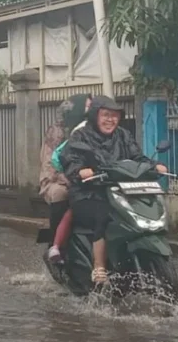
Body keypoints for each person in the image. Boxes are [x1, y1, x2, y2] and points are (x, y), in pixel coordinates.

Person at [61, 95, 168, 286]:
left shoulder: (123, 135)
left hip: (120, 190)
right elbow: (70, 159)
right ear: (95, 115)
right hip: (88, 192)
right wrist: (79, 170)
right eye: (106, 115)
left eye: (115, 116)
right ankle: (99, 267)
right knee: (104, 214)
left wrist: (153, 165)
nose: (110, 120)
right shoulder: (81, 136)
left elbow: (137, 157)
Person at [39, 94, 91, 264]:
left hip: (84, 177)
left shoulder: (90, 128)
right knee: (61, 194)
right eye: (87, 107)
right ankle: (57, 245)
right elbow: (50, 164)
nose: (90, 111)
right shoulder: (56, 132)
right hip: (56, 180)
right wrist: (68, 178)